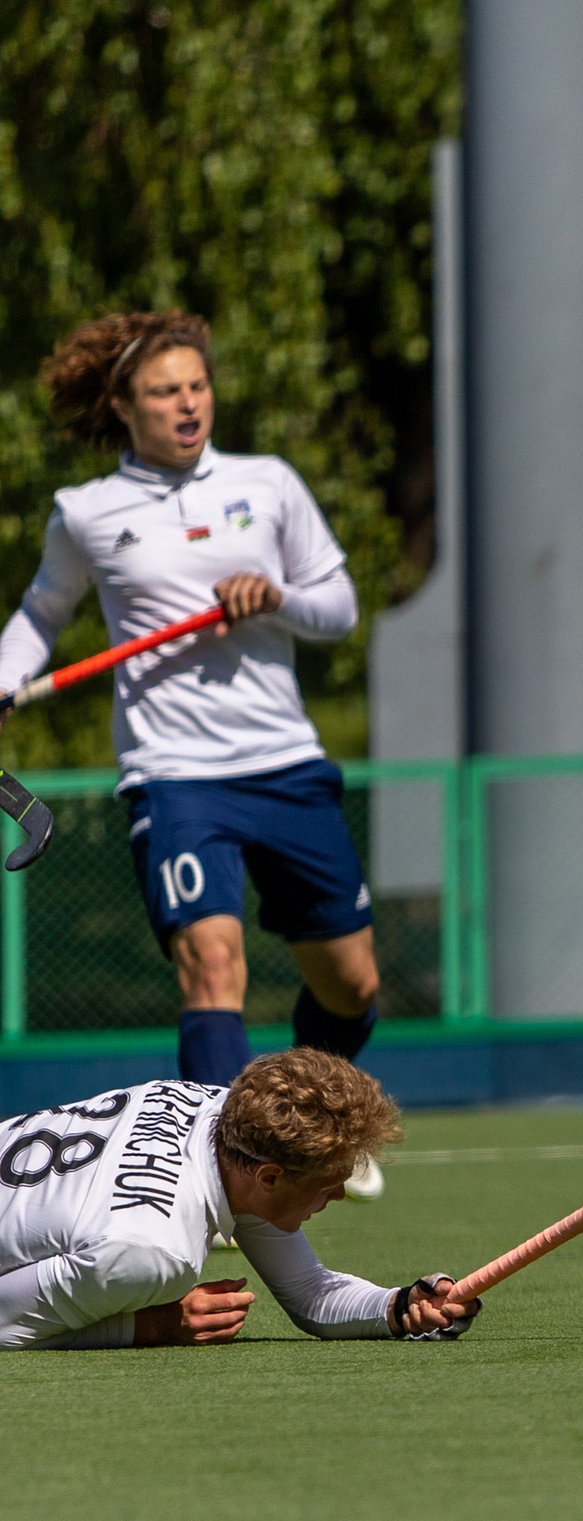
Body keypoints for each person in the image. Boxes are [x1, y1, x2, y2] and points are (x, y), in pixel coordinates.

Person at [5, 312, 387, 1198]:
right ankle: (219, 1177)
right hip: (173, 772)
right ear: (124, 407)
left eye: (197, 386)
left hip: (286, 762)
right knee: (212, 962)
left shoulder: (269, 483)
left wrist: (277, 597)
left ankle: (313, 1122)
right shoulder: (87, 512)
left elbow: (338, 607)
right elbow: (38, 621)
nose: (187, 404)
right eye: (164, 391)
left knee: (351, 981)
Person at [0, 1047, 478, 1349]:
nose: (338, 1193)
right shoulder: (153, 1250)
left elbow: (310, 1295)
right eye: (330, 1180)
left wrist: (400, 1306)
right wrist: (154, 1326)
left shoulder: (210, 1108)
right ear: (270, 1178)